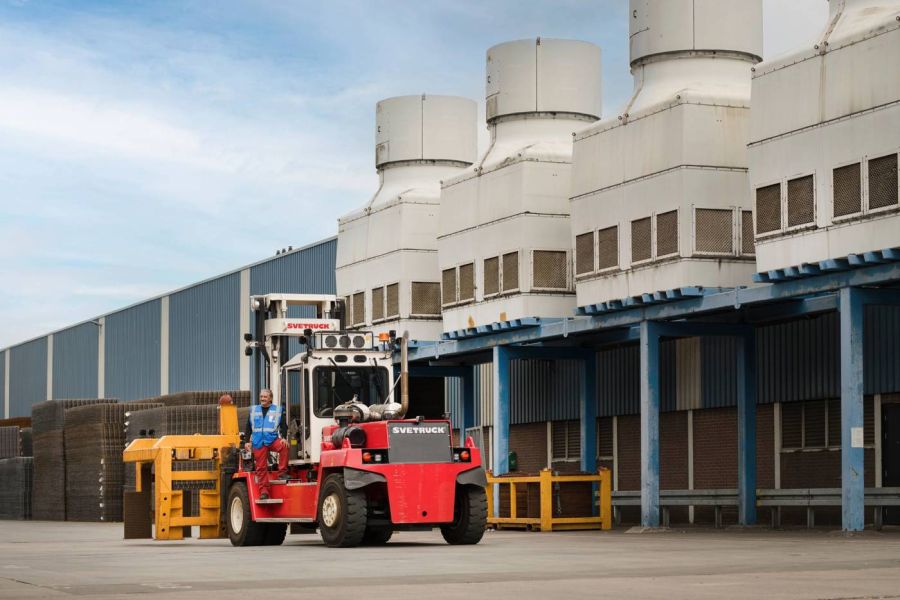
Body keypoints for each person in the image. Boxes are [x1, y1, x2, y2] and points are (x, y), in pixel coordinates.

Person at [244, 389, 288, 500]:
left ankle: (282, 473)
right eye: (261, 396)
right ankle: (264, 491)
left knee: (284, 447)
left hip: (272, 440)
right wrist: (247, 442)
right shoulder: (254, 410)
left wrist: (283, 438)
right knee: (261, 468)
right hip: (258, 442)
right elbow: (248, 427)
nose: (262, 399)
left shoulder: (277, 410)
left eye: (265, 397)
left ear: (270, 398)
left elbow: (283, 425)